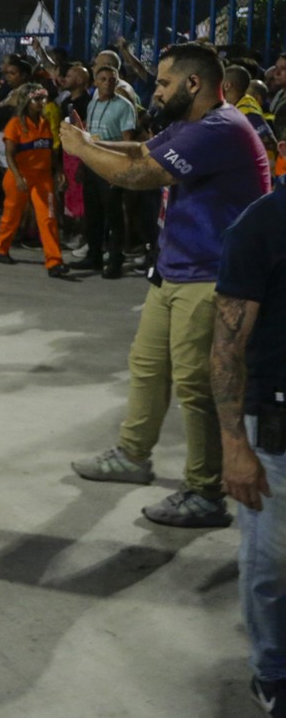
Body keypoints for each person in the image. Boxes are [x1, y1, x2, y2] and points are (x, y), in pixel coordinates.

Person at [67, 43, 271, 527]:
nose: (154, 90)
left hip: (211, 277)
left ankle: (205, 493)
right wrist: (90, 141)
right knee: (147, 366)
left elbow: (140, 174)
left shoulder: (220, 129)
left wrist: (80, 151)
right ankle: (133, 455)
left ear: (193, 84)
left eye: (162, 82)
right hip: (175, 270)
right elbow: (140, 150)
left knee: (198, 388)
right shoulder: (191, 124)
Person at [212, 185, 286, 716]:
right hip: (275, 426)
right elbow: (226, 348)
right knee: (269, 564)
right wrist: (235, 443)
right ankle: (273, 670)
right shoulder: (259, 226)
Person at [0, 82, 66, 278]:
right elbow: (9, 155)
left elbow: (51, 151)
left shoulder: (46, 123)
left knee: (48, 218)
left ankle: (54, 262)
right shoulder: (14, 124)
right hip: (20, 177)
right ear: (26, 101)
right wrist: (17, 177)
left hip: (43, 178)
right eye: (37, 99)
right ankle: (1, 247)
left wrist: (58, 171)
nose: (42, 102)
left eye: (43, 98)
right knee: (12, 215)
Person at [74, 64, 138, 278]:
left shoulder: (124, 106)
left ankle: (116, 260)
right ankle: (94, 256)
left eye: (112, 79)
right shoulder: (93, 104)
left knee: (114, 216)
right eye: (103, 79)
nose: (108, 83)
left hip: (111, 164)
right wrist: (84, 162)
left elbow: (129, 142)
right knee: (93, 214)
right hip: (93, 163)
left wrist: (120, 171)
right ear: (95, 82)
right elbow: (90, 135)